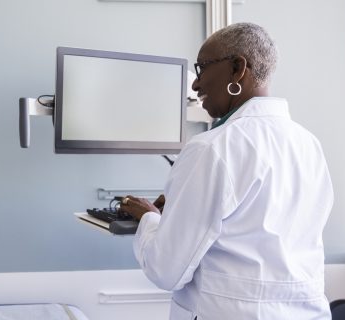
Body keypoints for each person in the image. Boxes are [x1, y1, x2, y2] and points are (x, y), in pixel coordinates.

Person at [120, 23, 333, 319]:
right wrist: (185, 206)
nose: (195, 85)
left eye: (202, 68)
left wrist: (150, 219)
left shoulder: (212, 148)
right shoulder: (309, 144)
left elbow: (165, 270)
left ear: (237, 68)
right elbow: (259, 226)